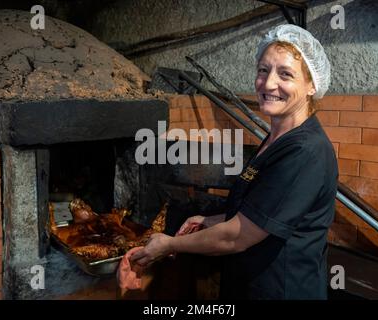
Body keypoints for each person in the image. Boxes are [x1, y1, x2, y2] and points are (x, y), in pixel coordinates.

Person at [130, 24, 338, 300]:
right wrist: (210, 219)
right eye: (263, 70)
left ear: (312, 85)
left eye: (285, 74)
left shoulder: (304, 152)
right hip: (252, 284)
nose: (268, 83)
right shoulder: (276, 138)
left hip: (282, 290)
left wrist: (170, 244)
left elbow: (236, 236)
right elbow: (261, 211)